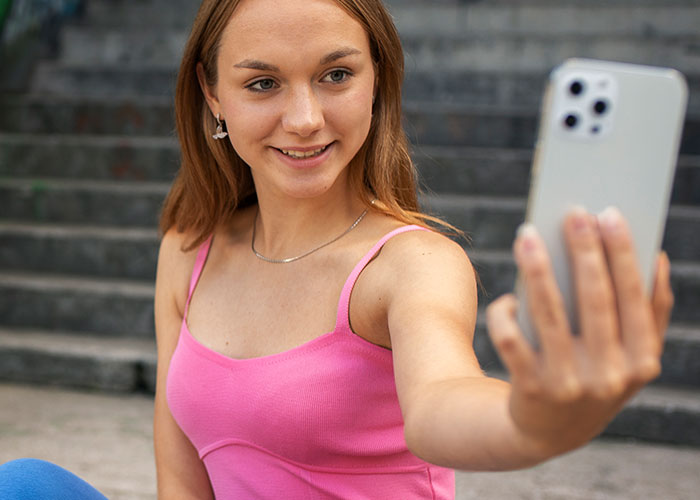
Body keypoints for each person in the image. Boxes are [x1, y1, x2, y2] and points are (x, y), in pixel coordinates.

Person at [0, 0, 673, 498]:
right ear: (213, 95)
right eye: (263, 83)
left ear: (376, 79)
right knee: (25, 485)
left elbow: (441, 406)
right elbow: (181, 477)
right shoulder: (189, 246)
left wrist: (537, 420)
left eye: (335, 75)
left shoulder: (412, 266)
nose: (304, 119)